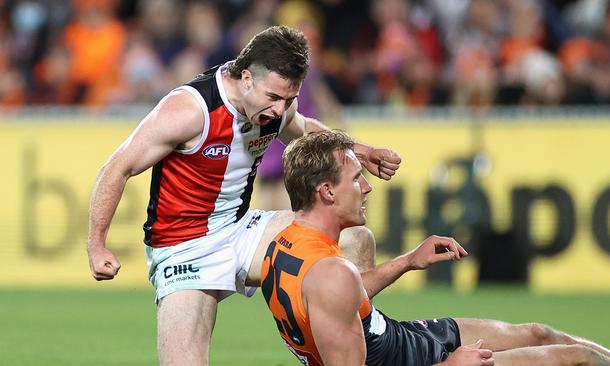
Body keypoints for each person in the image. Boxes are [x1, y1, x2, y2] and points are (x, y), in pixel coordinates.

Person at [86, 25, 402, 365]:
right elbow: (117, 168)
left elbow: (304, 130)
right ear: (246, 77)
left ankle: (359, 353)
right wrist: (97, 244)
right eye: (274, 98)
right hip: (183, 249)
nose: (280, 110)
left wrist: (361, 150)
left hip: (242, 231)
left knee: (354, 238)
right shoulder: (190, 110)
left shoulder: (270, 106)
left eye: (289, 100)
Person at [259, 130, 610, 366]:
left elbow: (339, 301)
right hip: (416, 360)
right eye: (356, 178)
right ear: (326, 191)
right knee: (574, 359)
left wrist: (409, 261)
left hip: (401, 339)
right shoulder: (331, 273)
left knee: (539, 333)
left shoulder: (283, 247)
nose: (367, 187)